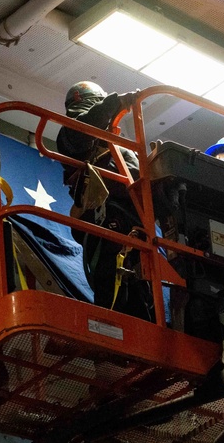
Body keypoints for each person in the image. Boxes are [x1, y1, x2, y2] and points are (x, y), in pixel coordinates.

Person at [56, 81, 153, 319]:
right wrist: (115, 102)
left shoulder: (119, 148)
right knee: (112, 282)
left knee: (140, 295)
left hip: (136, 228)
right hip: (104, 221)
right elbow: (86, 127)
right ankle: (109, 328)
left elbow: (143, 182)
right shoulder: (71, 135)